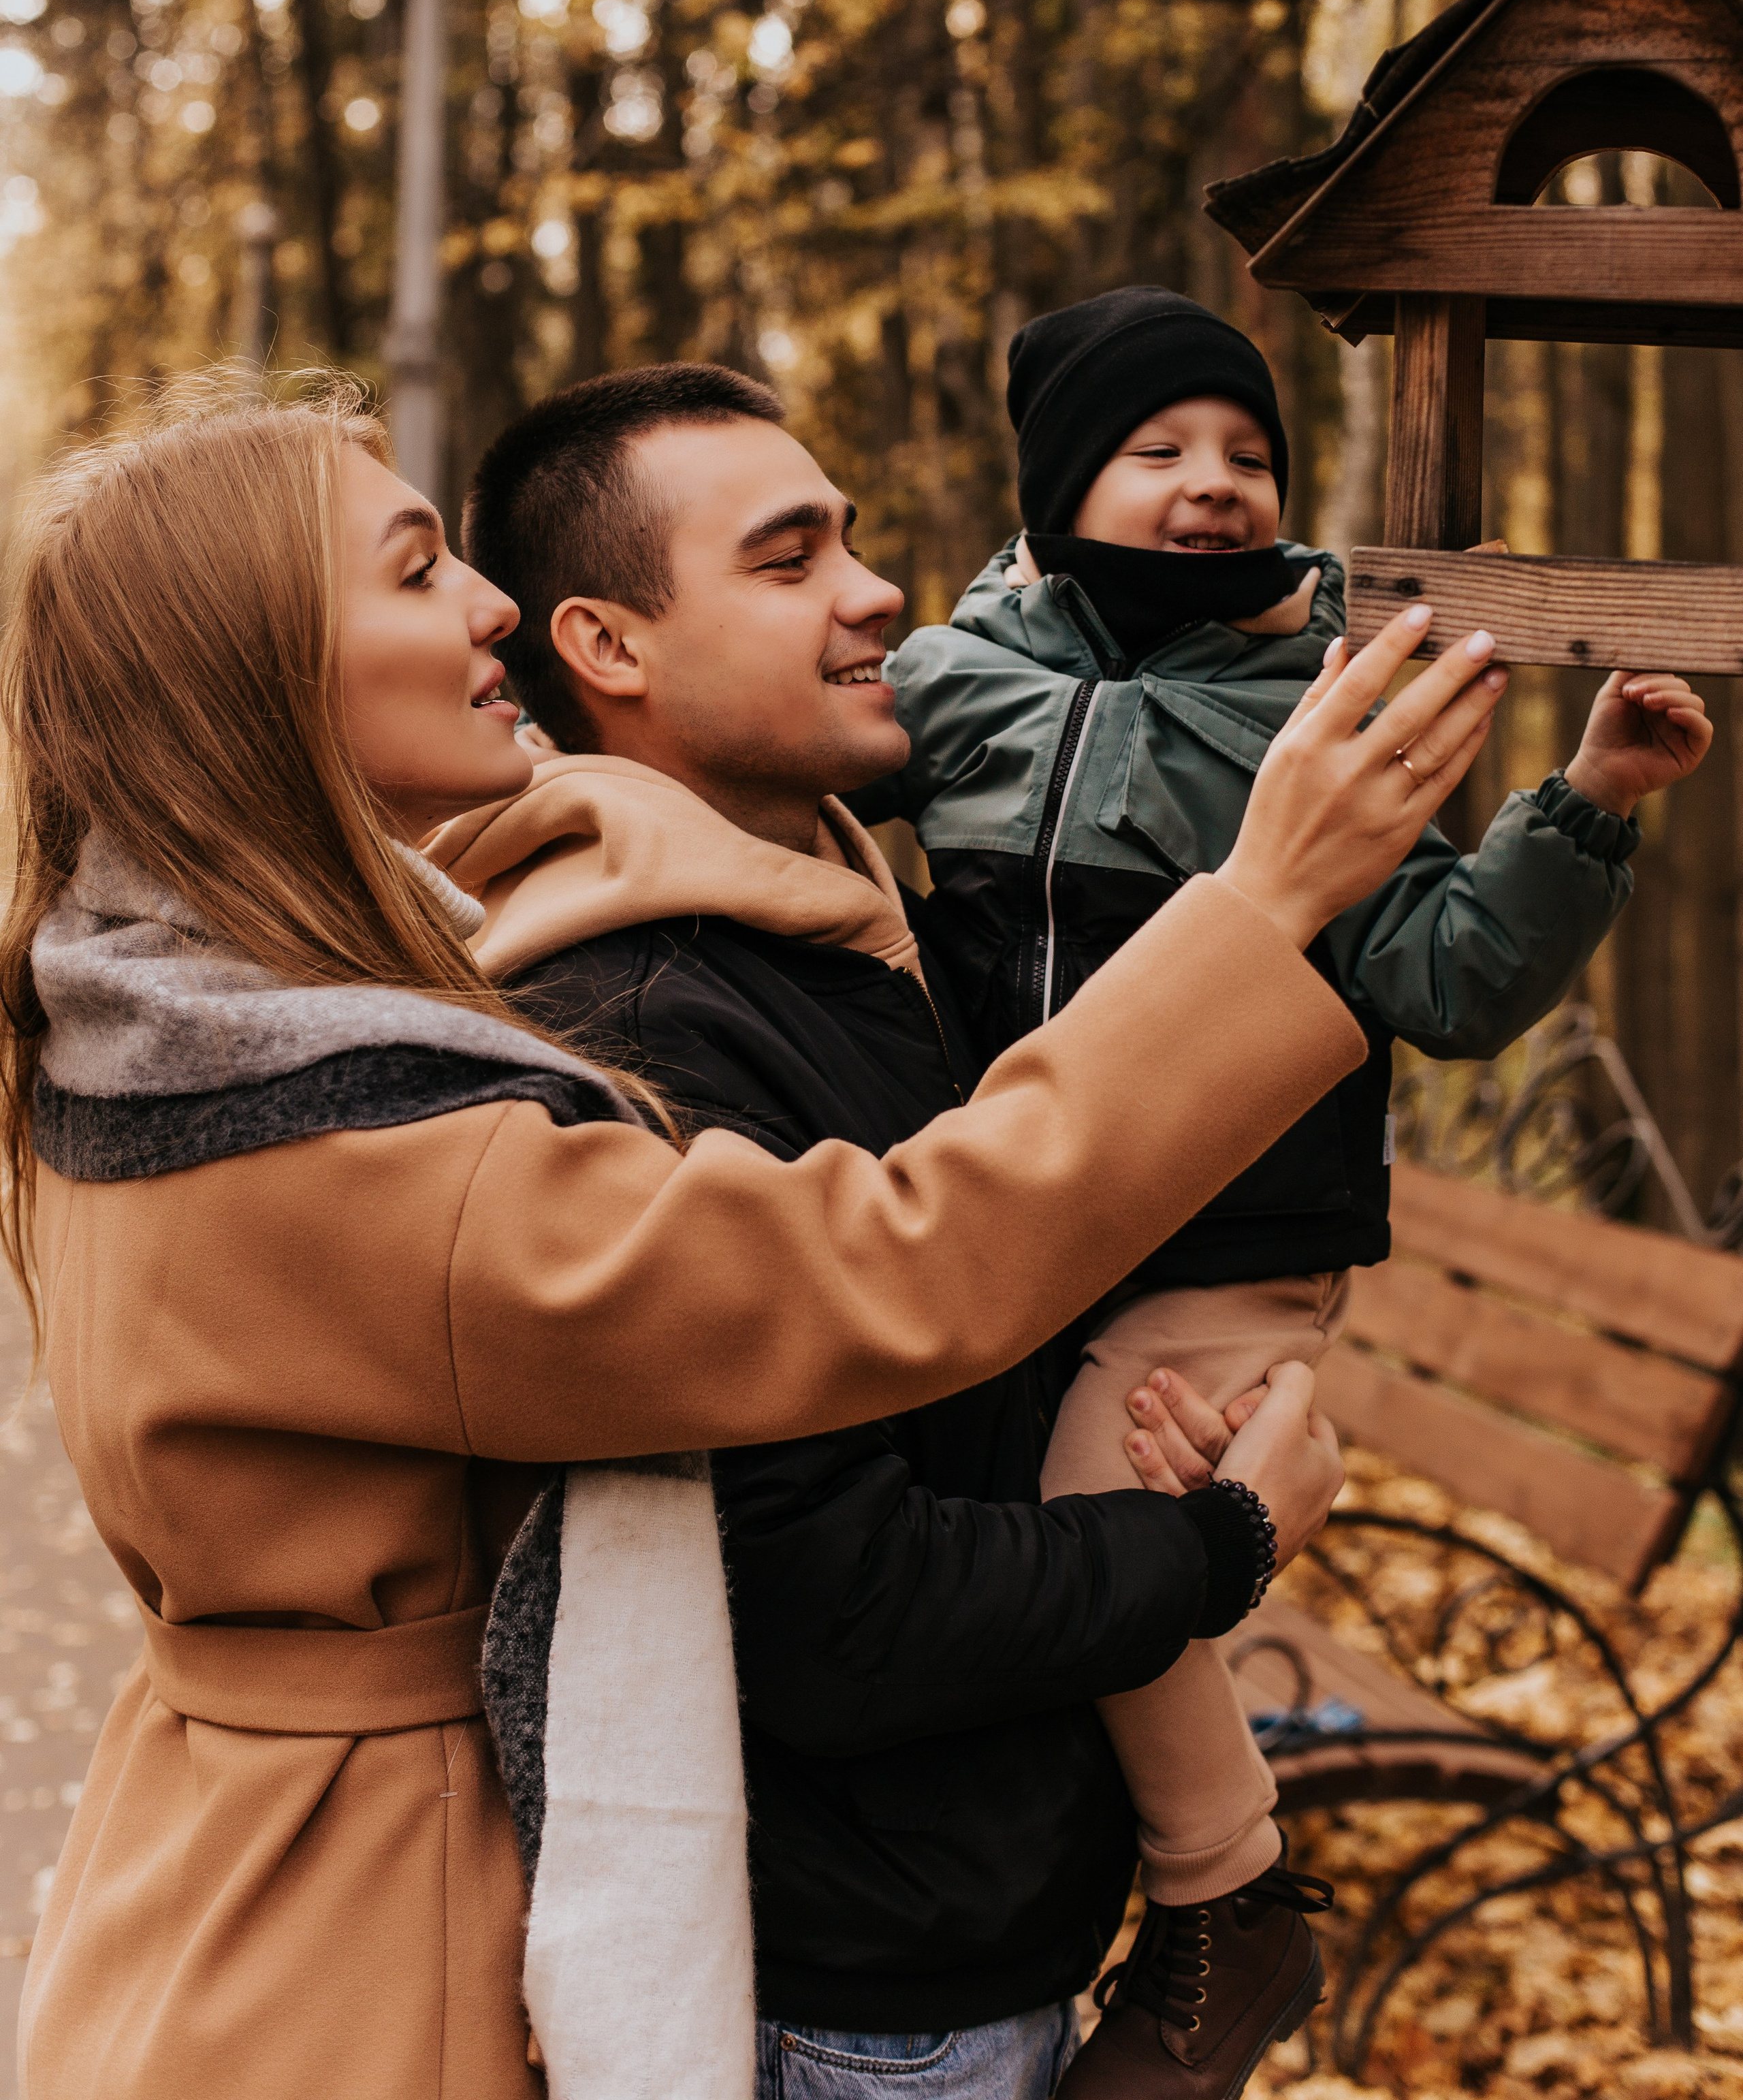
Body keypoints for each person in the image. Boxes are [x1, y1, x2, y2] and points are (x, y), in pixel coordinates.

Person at [2, 380, 1492, 2100]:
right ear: (257, 675)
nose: (485, 600)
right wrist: (1266, 901)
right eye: (415, 574)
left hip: (228, 1897)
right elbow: (895, 1269)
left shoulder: (184, 1037)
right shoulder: (357, 1136)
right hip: (342, 1959)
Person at [446, 362, 1339, 2100]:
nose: (872, 591)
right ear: (607, 646)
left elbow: (964, 1380)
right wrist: (1219, 1545)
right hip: (847, 2011)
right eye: (788, 563)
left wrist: (1156, 1436)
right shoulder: (646, 1026)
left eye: (851, 541)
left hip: (966, 1946)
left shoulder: (865, 933)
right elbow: (836, 1617)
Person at [860, 287, 1714, 2100]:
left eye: (1246, 452)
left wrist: (1588, 799)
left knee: (1097, 1495)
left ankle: (1230, 1902)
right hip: (1010, 1214)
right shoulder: (948, 681)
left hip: (1227, 1248)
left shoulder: (1329, 693)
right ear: (1054, 492)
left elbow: (1455, 978)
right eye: (1157, 450)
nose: (1214, 485)